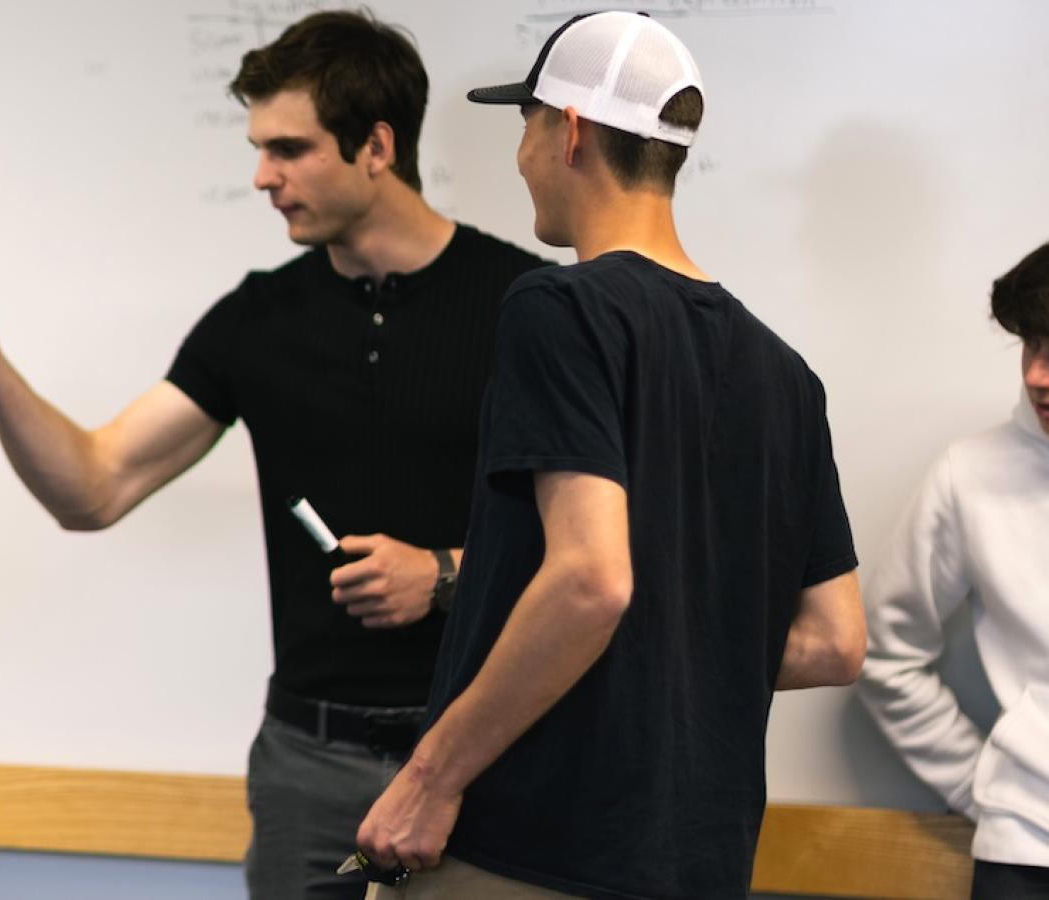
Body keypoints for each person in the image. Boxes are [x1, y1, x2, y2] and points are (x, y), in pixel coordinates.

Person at [0, 11, 549, 898]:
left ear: (376, 145)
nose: (263, 177)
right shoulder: (257, 319)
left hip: (482, 755)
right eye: (259, 149)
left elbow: (604, 554)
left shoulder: (526, 307)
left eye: (288, 149)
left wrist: (444, 573)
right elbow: (92, 487)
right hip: (307, 763)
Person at [355, 12, 866, 897]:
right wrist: (672, 648)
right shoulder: (789, 377)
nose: (520, 155)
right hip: (697, 860)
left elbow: (592, 580)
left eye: (526, 123)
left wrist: (427, 779)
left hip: (529, 850)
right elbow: (832, 641)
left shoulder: (559, 309)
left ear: (572, 130)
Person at [859, 242, 1049, 898]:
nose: (1038, 377)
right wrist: (990, 788)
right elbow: (884, 656)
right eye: (1032, 345)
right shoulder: (969, 476)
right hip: (1027, 853)